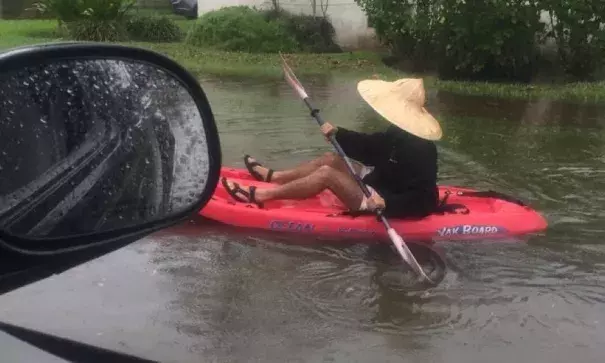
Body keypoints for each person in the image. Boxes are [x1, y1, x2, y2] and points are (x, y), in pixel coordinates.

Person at [221, 78, 443, 219]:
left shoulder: (422, 149)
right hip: (378, 183)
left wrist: (387, 204)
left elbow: (424, 199)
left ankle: (262, 195)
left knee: (326, 175)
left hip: (382, 199)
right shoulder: (398, 131)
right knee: (330, 159)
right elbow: (371, 146)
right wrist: (339, 133)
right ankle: (274, 176)